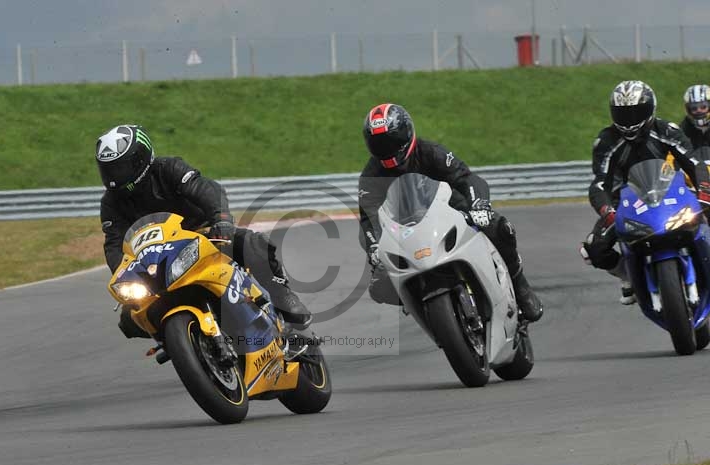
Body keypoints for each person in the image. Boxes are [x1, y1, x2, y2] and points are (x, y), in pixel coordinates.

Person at [96, 124, 312, 337]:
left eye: (120, 167)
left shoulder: (168, 168)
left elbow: (206, 189)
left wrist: (222, 220)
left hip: (203, 236)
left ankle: (282, 295)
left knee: (250, 244)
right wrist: (123, 274)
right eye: (109, 170)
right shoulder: (110, 203)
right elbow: (115, 243)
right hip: (157, 260)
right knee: (129, 319)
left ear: (141, 159)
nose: (115, 177)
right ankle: (178, 341)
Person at [358, 103, 544, 322]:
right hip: (407, 232)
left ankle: (520, 285)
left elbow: (467, 179)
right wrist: (374, 247)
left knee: (499, 227)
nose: (387, 149)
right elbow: (368, 218)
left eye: (392, 141)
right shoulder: (370, 176)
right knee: (380, 287)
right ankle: (422, 305)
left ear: (407, 134)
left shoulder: (431, 152)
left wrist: (479, 206)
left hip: (451, 212)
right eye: (379, 144)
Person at [580, 80, 710, 304]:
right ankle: (629, 276)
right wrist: (606, 210)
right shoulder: (606, 141)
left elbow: (694, 164)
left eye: (636, 112)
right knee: (594, 248)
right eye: (623, 114)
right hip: (627, 204)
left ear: (650, 109)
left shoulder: (667, 130)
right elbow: (600, 184)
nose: (630, 121)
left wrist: (705, 193)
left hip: (672, 195)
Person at [680, 84, 710, 151]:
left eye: (703, 107)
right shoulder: (684, 129)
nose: (699, 110)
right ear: (688, 110)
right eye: (694, 108)